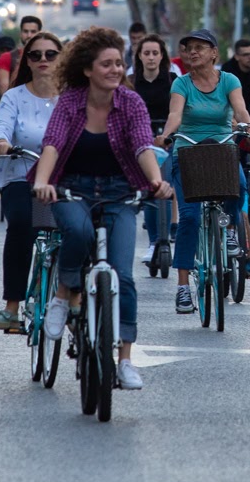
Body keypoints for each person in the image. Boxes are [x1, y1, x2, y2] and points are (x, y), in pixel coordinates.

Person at [30, 27, 174, 392]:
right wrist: (43, 181)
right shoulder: (70, 102)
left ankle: (124, 360)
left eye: (119, 64)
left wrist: (156, 181)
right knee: (78, 232)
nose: (115, 70)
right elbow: (52, 144)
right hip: (72, 188)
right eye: (106, 64)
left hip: (119, 193)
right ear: (87, 69)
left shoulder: (131, 103)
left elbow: (142, 145)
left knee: (123, 276)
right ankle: (64, 294)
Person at [160, 28, 250, 308]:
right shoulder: (181, 83)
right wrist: (166, 134)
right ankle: (183, 286)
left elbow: (240, 111)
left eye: (200, 47)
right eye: (189, 48)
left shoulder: (229, 80)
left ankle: (229, 230)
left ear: (214, 53)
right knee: (189, 218)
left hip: (222, 149)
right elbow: (175, 115)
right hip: (188, 151)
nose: (193, 52)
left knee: (239, 186)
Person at [0, 30, 63, 333]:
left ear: (61, 59)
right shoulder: (14, 97)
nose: (43, 59)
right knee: (19, 224)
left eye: (50, 54)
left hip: (63, 178)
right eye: (35, 54)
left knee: (80, 228)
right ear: (26, 61)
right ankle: (12, 307)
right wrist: (1, 142)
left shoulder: (72, 98)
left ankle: (74, 298)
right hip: (21, 174)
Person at [130, 33, 178, 271]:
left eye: (155, 53)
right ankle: (152, 242)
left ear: (162, 56)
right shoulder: (130, 82)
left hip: (166, 140)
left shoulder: (172, 80)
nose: (151, 57)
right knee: (149, 188)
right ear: (139, 56)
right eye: (146, 53)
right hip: (140, 141)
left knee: (164, 185)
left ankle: (164, 238)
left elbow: (178, 111)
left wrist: (167, 135)